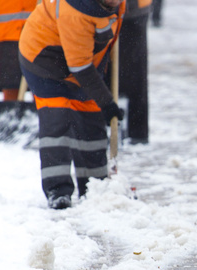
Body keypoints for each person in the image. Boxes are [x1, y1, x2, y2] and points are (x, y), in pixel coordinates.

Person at [18, 0, 126, 209]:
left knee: (91, 121)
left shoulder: (116, 4)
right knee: (57, 122)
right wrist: (107, 102)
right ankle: (57, 191)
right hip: (44, 60)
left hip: (82, 61)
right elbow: (81, 68)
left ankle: (94, 186)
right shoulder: (75, 10)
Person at [120, 0, 151, 144]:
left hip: (134, 11)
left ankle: (138, 133)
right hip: (99, 11)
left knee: (136, 73)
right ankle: (101, 126)